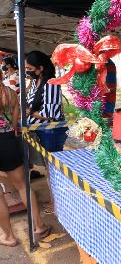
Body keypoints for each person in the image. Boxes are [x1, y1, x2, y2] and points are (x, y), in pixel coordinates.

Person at [0, 70, 50, 247]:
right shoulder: (10, 93)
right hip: (7, 141)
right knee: (23, 186)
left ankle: (8, 236)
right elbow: (14, 122)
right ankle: (39, 226)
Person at [25, 51, 67, 152]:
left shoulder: (51, 84)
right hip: (40, 130)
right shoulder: (35, 82)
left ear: (41, 68)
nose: (27, 71)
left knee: (52, 163)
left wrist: (30, 112)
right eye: (26, 68)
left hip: (49, 131)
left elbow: (49, 114)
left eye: (30, 69)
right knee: (44, 163)